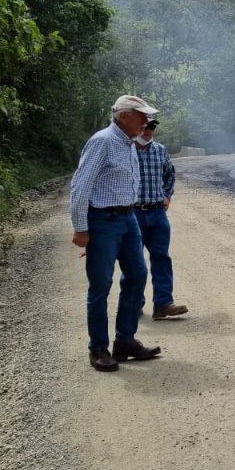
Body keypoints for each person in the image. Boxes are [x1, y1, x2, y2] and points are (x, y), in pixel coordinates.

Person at [70, 95, 162, 372]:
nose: (146, 121)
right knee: (100, 284)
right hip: (103, 221)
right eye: (141, 116)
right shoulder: (102, 142)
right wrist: (80, 227)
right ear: (124, 116)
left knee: (137, 274)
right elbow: (81, 185)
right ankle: (98, 348)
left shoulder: (129, 144)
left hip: (128, 218)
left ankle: (125, 341)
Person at [133, 118, 188, 319]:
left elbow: (170, 174)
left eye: (152, 127)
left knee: (161, 258)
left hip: (157, 213)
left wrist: (167, 195)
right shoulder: (126, 150)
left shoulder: (160, 150)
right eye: (145, 126)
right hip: (132, 213)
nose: (148, 130)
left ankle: (163, 304)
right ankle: (133, 304)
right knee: (134, 261)